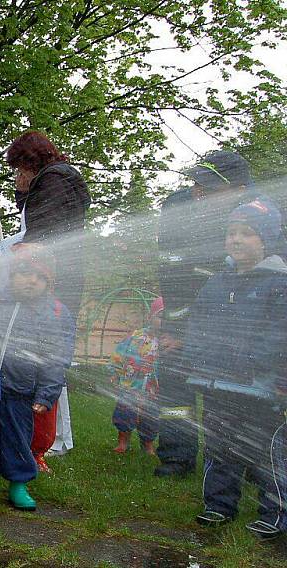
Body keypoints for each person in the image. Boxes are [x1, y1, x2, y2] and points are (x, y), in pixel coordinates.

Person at [155, 150, 278, 477]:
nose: (198, 191)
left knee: (239, 393)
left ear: (238, 190)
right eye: (196, 183)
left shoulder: (262, 214)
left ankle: (248, 463)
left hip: (242, 322)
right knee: (173, 378)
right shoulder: (178, 206)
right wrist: (175, 326)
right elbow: (169, 268)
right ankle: (176, 456)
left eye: (208, 187)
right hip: (186, 309)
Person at [183, 200, 287, 540]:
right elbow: (197, 323)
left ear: (267, 240)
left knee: (265, 452)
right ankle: (219, 504)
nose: (236, 240)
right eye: (231, 233)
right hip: (217, 382)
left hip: (259, 387)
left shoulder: (278, 283)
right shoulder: (217, 281)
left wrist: (262, 367)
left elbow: (280, 334)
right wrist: (195, 355)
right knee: (219, 444)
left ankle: (275, 513)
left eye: (248, 233)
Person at [0, 131, 90, 459]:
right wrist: (24, 195)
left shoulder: (53, 181)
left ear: (30, 161)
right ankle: (51, 439)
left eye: (19, 168)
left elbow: (42, 235)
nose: (17, 176)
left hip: (52, 284)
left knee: (48, 360)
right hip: (55, 280)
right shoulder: (55, 180)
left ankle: (54, 440)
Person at [0, 244, 73, 511]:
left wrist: (47, 394)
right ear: (12, 273)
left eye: (40, 277)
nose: (32, 281)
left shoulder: (52, 314)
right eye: (25, 273)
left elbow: (56, 359)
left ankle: (19, 482)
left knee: (18, 438)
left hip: (22, 390)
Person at [107, 297, 163, 455]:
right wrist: (115, 371)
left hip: (152, 389)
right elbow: (119, 353)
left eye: (165, 318)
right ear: (149, 317)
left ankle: (148, 445)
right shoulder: (136, 336)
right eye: (159, 316)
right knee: (125, 414)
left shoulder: (165, 342)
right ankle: (123, 442)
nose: (162, 321)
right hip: (130, 385)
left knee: (150, 419)